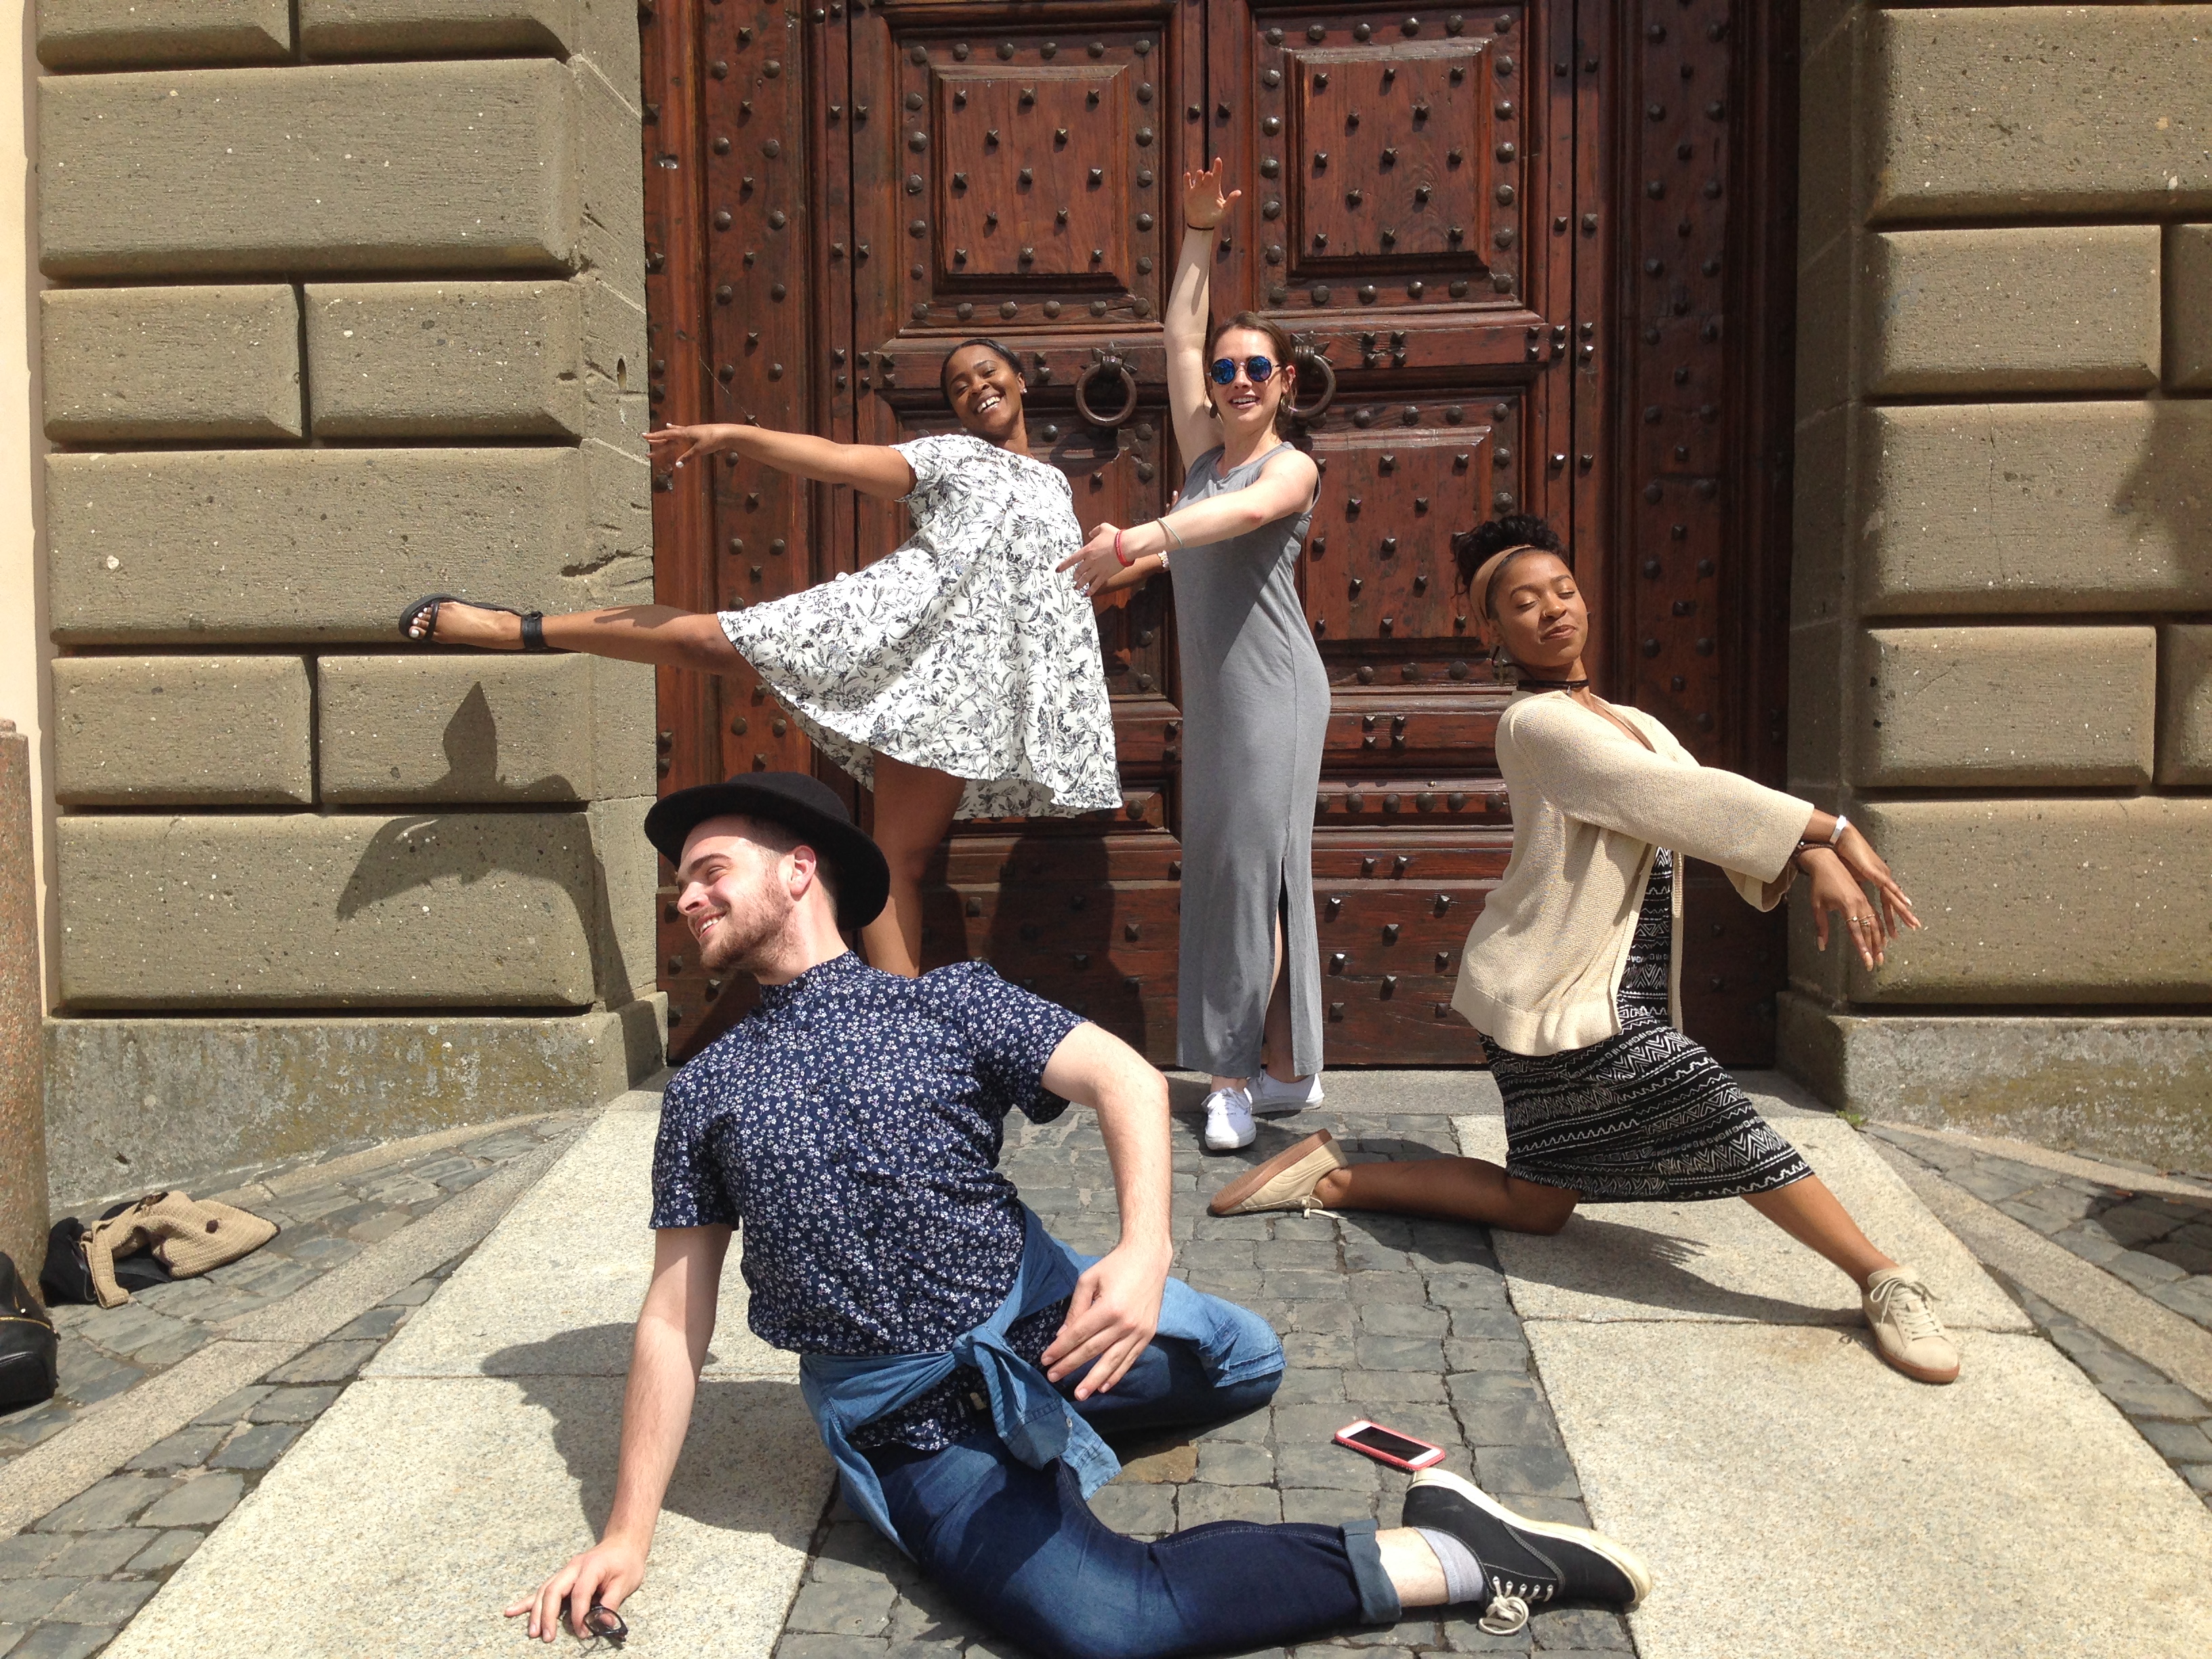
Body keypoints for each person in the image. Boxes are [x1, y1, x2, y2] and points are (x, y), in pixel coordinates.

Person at [505, 770, 1654, 1658]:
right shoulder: (706, 1082)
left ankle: (1055, 1414)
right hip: (913, 1413)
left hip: (1043, 1312)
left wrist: (1143, 1252)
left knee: (1248, 1360)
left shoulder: (948, 1002)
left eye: (708, 869)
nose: (687, 896)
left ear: (800, 869)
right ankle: (1450, 1552)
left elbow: (1118, 1073)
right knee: (1111, 1623)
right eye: (681, 885)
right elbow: (672, 1316)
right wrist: (625, 1531)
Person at [1208, 517, 1963, 1387]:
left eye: (1561, 591)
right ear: (1493, 633)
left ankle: (1338, 1178)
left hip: (1597, 984)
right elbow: (1654, 794)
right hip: (1555, 991)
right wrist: (1826, 829)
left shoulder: (1629, 718)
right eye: (1522, 604)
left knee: (1535, 1204)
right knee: (1713, 1106)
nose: (1551, 612)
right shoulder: (1535, 725)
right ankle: (1884, 1276)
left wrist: (1814, 853)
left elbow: (1695, 806)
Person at [399, 339, 1120, 977]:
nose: (973, 389)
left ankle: (897, 1043)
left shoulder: (1058, 487)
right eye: (958, 385)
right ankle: (515, 628)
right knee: (712, 641)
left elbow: (1070, 581)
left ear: (1021, 379)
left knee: (901, 860)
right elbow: (839, 462)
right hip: (892, 624)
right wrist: (735, 436)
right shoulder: (951, 456)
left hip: (958, 694)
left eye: (986, 373)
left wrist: (1167, 548)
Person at [1059, 160, 1328, 1155]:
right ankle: (1291, 1066)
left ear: (1285, 383)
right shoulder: (1203, 453)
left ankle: (1229, 1080)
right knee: (1243, 873)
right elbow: (1175, 336)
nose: (1241, 380)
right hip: (1218, 697)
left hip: (1276, 694)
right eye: (1228, 370)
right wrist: (1197, 235)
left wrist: (1138, 540)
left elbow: (1245, 517)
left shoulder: (1284, 466)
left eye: (1259, 369)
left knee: (1248, 874)